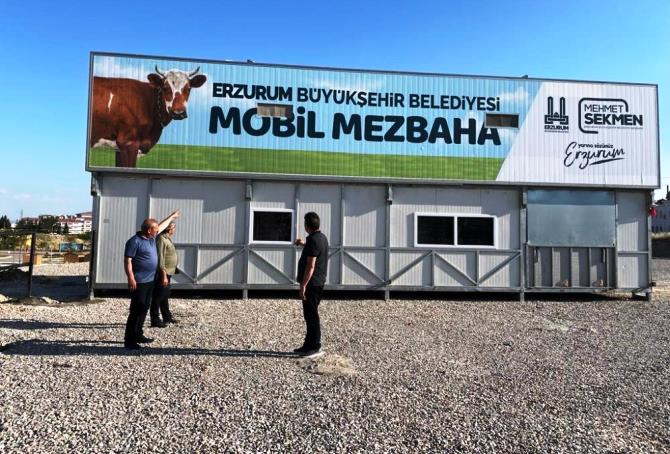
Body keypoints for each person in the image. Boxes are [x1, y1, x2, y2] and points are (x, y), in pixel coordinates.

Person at [123, 210, 180, 350]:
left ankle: (139, 334)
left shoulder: (151, 238)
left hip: (150, 280)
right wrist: (130, 277)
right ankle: (129, 340)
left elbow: (161, 225)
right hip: (139, 281)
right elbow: (127, 260)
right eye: (155, 230)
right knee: (136, 309)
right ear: (149, 230)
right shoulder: (134, 241)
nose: (158, 231)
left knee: (144, 308)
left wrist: (171, 216)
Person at [293, 212, 329, 358]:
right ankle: (308, 345)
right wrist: (303, 244)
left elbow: (311, 266)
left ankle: (315, 346)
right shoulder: (321, 238)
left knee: (312, 315)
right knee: (308, 315)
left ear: (307, 225)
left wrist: (303, 285)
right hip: (317, 282)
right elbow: (313, 249)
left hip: (312, 284)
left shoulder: (314, 240)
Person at [150, 222, 179, 327]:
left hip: (168, 272)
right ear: (169, 229)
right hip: (163, 272)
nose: (174, 229)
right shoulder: (161, 239)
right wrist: (163, 274)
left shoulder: (167, 238)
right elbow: (160, 257)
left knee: (164, 295)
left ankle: (167, 316)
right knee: (158, 296)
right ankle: (155, 320)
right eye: (174, 227)